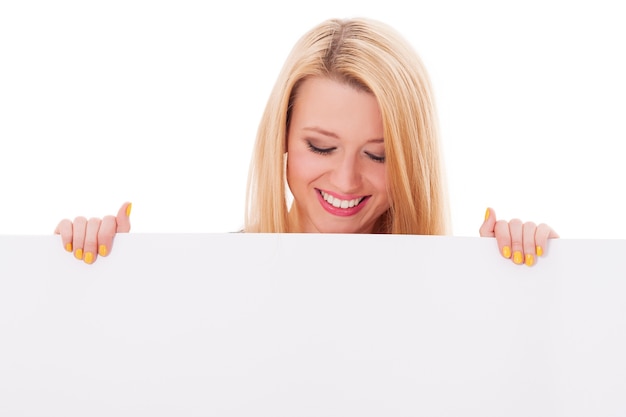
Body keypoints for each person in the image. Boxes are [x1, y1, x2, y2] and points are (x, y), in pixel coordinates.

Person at [54, 17, 558, 266]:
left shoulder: (455, 291)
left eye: (378, 155)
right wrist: (98, 275)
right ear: (284, 140)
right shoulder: (209, 277)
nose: (345, 180)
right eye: (321, 147)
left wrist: (532, 287)